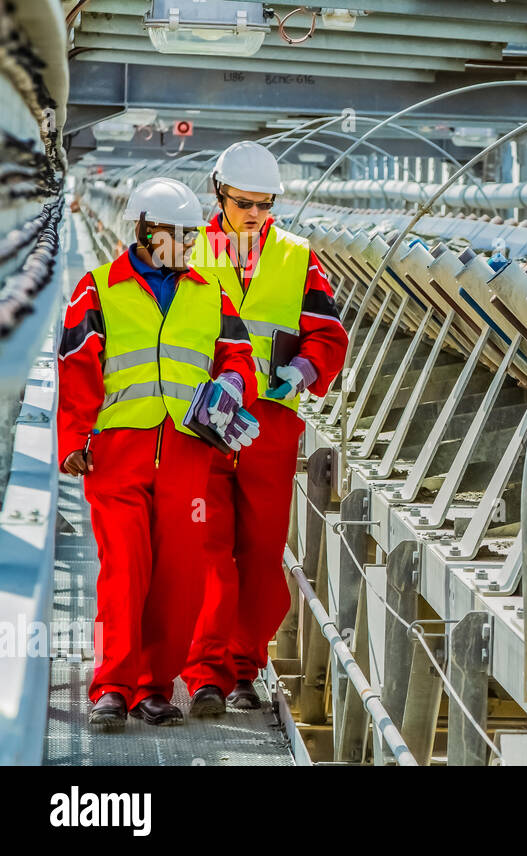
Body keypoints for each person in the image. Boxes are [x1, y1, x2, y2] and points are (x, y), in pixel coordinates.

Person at [57, 177, 258, 728]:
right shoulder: (98, 289)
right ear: (145, 231)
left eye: (192, 236)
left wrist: (234, 384)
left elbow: (238, 355)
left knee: (178, 578)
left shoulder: (208, 294)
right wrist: (73, 439)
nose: (188, 245)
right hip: (118, 455)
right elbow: (76, 366)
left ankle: (154, 688)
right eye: (177, 235)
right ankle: (111, 687)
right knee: (124, 574)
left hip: (187, 457)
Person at [183, 141, 347, 715]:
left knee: (260, 554)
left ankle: (243, 668)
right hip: (204, 423)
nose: (254, 213)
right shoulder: (187, 249)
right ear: (219, 194)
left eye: (265, 203)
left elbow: (327, 331)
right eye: (243, 203)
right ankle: (205, 673)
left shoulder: (297, 256)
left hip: (269, 427)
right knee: (208, 551)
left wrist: (304, 368)